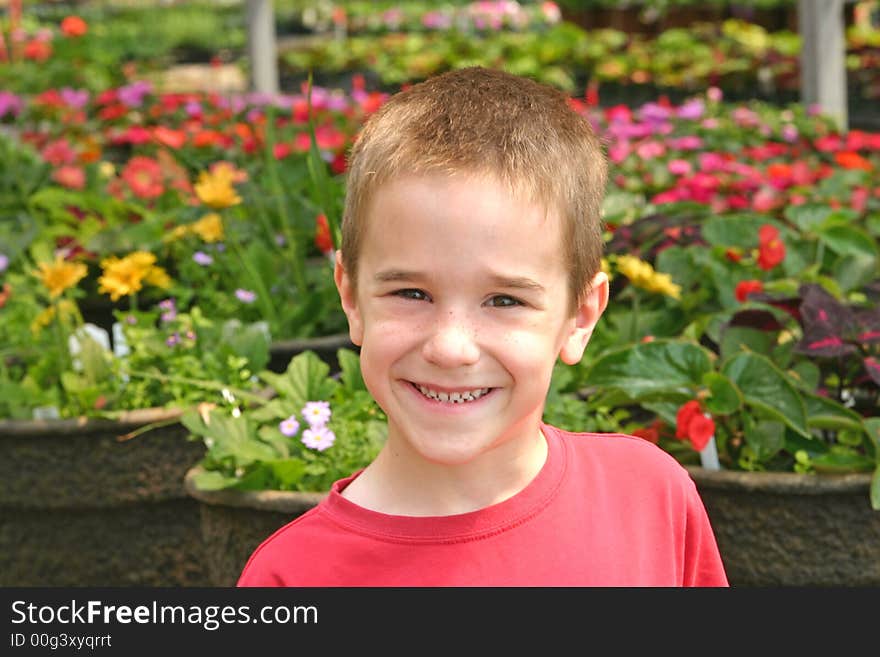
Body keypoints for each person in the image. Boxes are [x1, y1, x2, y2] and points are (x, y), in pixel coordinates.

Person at [238, 66, 728, 587]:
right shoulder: (294, 575)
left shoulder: (649, 497)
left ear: (580, 317)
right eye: (411, 294)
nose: (451, 347)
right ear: (352, 298)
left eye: (504, 300)